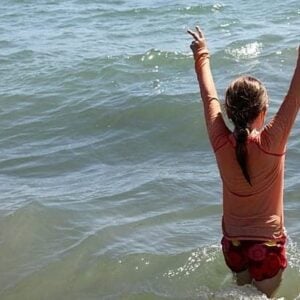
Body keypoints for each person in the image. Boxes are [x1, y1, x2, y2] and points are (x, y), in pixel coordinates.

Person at [187, 26, 300, 298]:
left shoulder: (220, 141)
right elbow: (295, 97)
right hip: (267, 247)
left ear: (227, 111)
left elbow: (207, 97)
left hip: (233, 246)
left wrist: (201, 53)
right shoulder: (271, 143)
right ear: (263, 113)